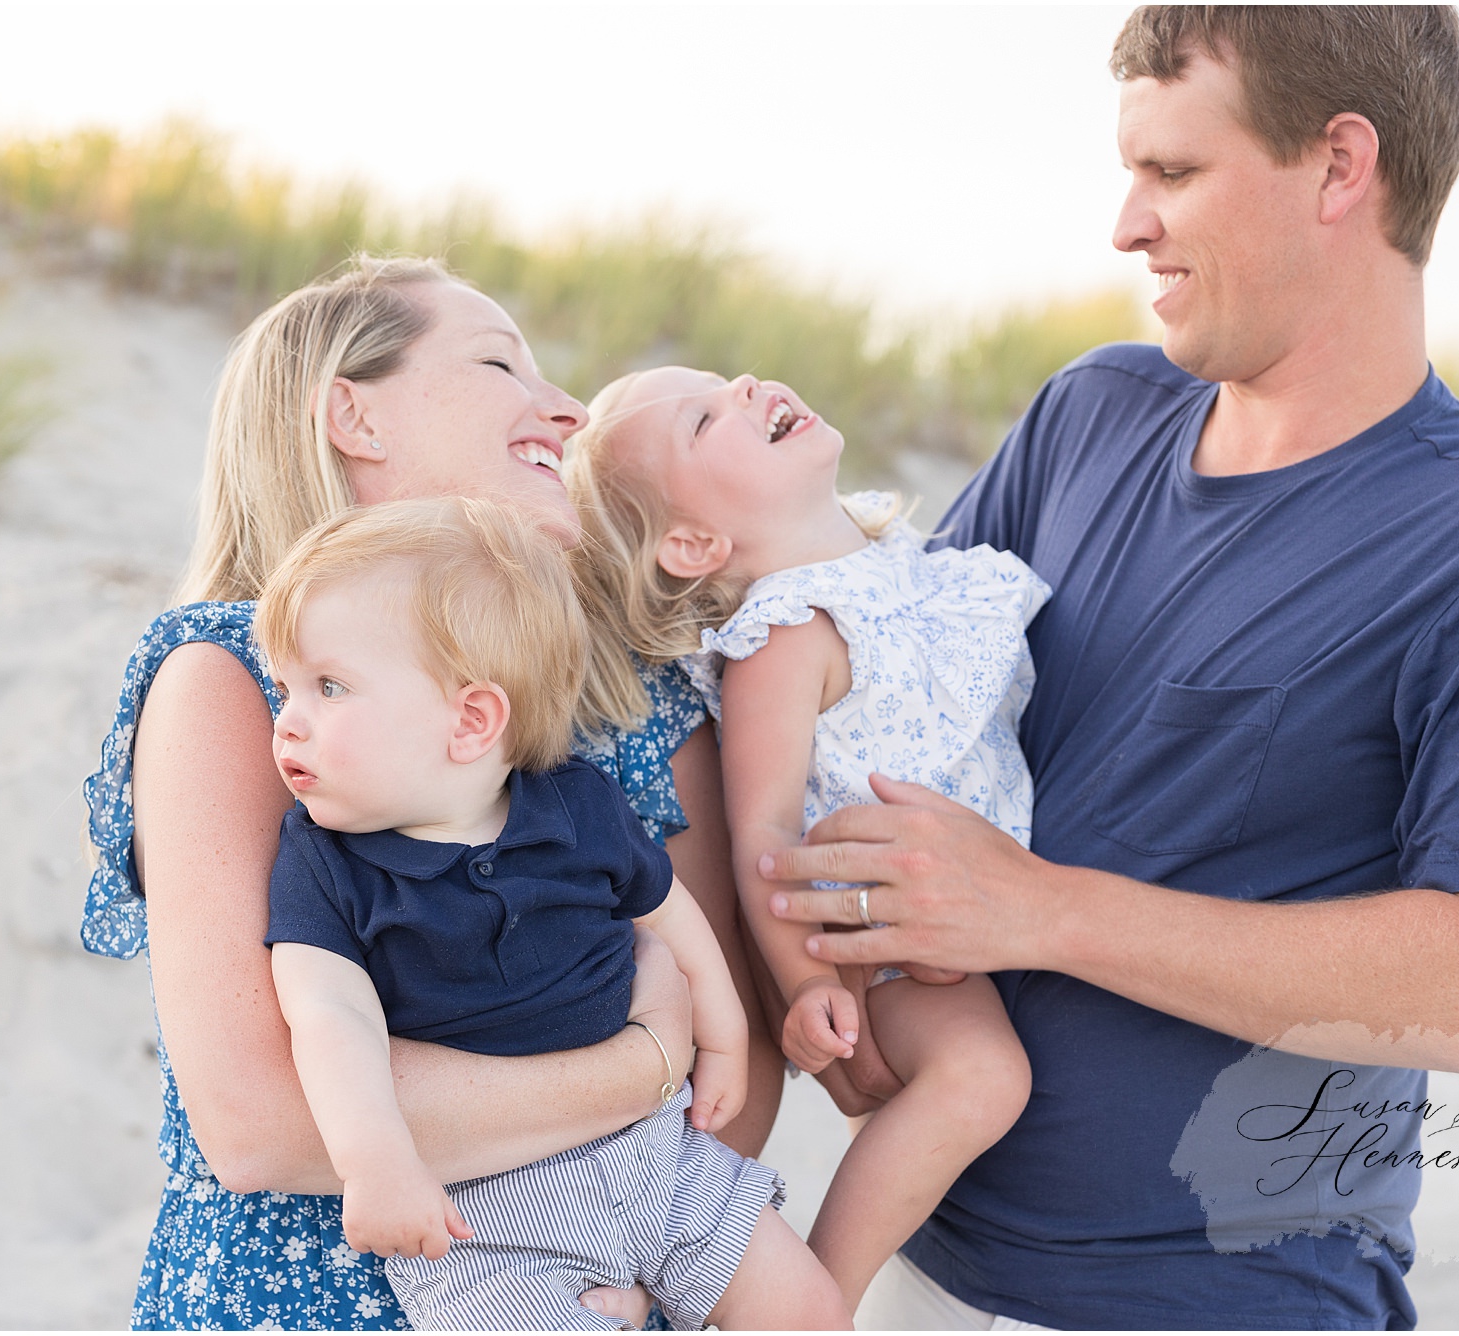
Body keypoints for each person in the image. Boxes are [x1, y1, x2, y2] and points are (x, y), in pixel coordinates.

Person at [760, 7, 1459, 1329]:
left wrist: (1043, 909)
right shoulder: (1084, 417)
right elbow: (860, 691)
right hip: (921, 1282)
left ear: (1343, 167)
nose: (1127, 224)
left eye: (1174, 173)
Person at [80, 257, 779, 1329]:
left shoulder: (635, 705)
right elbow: (262, 1118)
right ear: (352, 414)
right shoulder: (234, 684)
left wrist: (653, 1268)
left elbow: (739, 1073)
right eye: (500, 361)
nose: (566, 409)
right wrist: (643, 1062)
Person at [256, 496, 846, 1331]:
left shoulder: (575, 805)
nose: (287, 720)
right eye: (287, 687)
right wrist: (376, 1163)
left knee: (809, 1310)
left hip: (660, 1155)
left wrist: (719, 1040)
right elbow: (327, 1014)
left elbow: (669, 915)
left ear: (471, 720)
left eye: (329, 686)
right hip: (489, 1222)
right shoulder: (323, 861)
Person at [568, 366, 1044, 1313]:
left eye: (723, 381)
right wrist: (809, 985)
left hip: (985, 908)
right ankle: (815, 1300)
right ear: (696, 542)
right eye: (706, 418)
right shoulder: (782, 638)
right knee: (984, 1077)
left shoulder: (902, 563)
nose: (745, 383)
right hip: (887, 948)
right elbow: (765, 837)